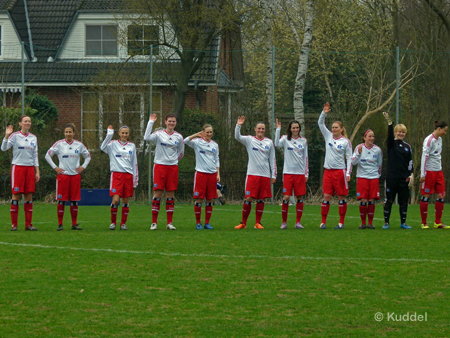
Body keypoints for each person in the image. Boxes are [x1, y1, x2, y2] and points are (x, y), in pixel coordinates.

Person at [45, 124, 91, 231]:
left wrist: (83, 166)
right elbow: (47, 155)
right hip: (63, 176)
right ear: (64, 133)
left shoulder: (79, 145)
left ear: (74, 133)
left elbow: (88, 156)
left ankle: (74, 224)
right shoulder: (59, 144)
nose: (68, 134)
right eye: (66, 132)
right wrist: (55, 167)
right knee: (61, 201)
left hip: (75, 176)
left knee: (74, 201)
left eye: (70, 132)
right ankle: (60, 224)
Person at [234, 116, 277, 229]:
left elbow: (272, 159)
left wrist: (274, 175)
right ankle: (243, 223)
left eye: (262, 129)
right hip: (252, 174)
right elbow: (237, 136)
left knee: (261, 199)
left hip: (265, 175)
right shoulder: (249, 140)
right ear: (255, 129)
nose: (261, 130)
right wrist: (238, 125)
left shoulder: (269, 142)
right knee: (248, 198)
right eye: (259, 128)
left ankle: (258, 223)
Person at [144, 114, 184, 230]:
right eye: (169, 121)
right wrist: (151, 122)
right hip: (160, 167)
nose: (171, 123)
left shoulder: (179, 137)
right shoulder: (159, 134)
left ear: (176, 123)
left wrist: (173, 161)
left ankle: (169, 223)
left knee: (170, 195)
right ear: (165, 122)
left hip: (172, 168)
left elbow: (181, 152)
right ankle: (154, 222)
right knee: (158, 194)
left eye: (173, 121)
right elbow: (146, 137)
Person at [1, 116, 40, 231]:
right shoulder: (15, 136)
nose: (27, 123)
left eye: (29, 121)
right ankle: (14, 225)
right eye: (25, 121)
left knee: (28, 195)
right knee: (16, 196)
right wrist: (7, 135)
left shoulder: (33, 137)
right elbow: (3, 148)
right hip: (18, 168)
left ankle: (28, 224)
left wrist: (37, 171)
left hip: (29, 169)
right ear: (20, 123)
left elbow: (35, 155)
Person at [318, 102, 352, 229]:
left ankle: (341, 222)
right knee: (326, 196)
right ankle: (323, 222)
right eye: (332, 127)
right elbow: (320, 124)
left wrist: (348, 173)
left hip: (340, 172)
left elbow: (349, 158)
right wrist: (323, 113)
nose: (333, 129)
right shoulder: (328, 137)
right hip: (328, 172)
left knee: (341, 197)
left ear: (341, 129)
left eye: (336, 127)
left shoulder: (346, 142)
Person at [101, 125, 138, 230]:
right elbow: (102, 147)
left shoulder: (132, 146)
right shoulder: (112, 144)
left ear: (128, 134)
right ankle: (113, 222)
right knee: (116, 200)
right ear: (119, 133)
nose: (124, 135)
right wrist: (109, 134)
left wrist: (135, 179)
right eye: (122, 133)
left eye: (126, 133)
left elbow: (134, 162)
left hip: (128, 175)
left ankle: (123, 223)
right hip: (117, 175)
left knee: (126, 201)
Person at [184, 124, 220, 230]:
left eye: (211, 132)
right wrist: (197, 135)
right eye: (207, 132)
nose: (209, 134)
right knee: (199, 199)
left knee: (210, 199)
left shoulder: (214, 145)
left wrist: (218, 174)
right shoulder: (197, 142)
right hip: (201, 174)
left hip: (212, 174)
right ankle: (198, 222)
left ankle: (207, 223)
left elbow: (217, 159)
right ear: (203, 132)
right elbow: (185, 141)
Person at [382, 112, 414, 229]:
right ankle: (386, 222)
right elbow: (389, 136)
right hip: (391, 178)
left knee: (403, 201)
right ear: (395, 132)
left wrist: (411, 174)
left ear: (405, 134)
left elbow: (410, 162)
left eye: (403, 132)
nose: (401, 133)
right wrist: (390, 124)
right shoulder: (391, 144)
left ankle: (403, 223)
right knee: (389, 200)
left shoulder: (407, 146)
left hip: (403, 178)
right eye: (399, 131)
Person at [275, 119, 308, 229]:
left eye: (297, 128)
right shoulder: (285, 139)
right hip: (288, 173)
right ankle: (284, 222)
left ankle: (298, 222)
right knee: (286, 197)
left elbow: (305, 157)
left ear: (299, 129)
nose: (295, 129)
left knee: (300, 197)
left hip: (299, 173)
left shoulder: (303, 141)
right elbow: (276, 144)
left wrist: (306, 173)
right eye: (293, 128)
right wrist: (278, 130)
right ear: (290, 129)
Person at [351, 130, 383, 229]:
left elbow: (379, 164)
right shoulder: (358, 147)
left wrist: (377, 176)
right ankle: (363, 223)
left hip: (373, 178)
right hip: (362, 178)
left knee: (372, 200)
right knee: (363, 200)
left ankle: (370, 223)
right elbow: (353, 162)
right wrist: (359, 154)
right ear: (364, 138)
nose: (371, 138)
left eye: (373, 136)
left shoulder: (378, 150)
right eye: (369, 136)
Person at [419, 120, 449, 229]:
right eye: (444, 131)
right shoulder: (429, 140)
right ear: (439, 129)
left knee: (441, 195)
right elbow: (424, 157)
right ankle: (424, 223)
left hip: (439, 172)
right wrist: (423, 174)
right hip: (429, 172)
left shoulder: (440, 140)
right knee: (426, 196)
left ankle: (438, 222)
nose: (445, 133)